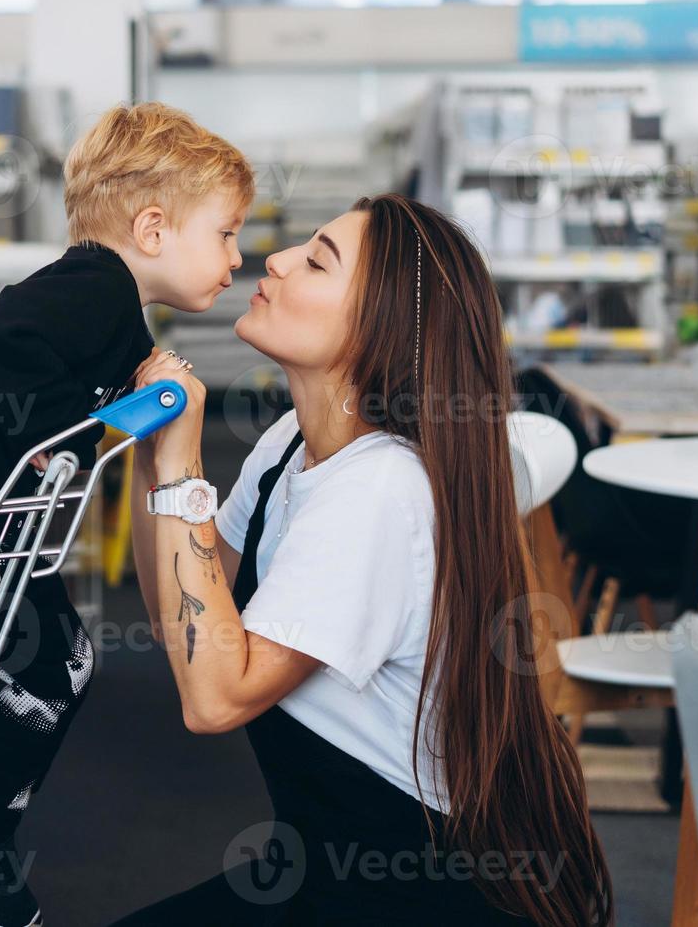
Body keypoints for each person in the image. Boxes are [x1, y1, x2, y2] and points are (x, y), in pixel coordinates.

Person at [119, 194, 614, 925]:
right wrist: (150, 456)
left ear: (378, 329)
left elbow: (215, 697)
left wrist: (186, 461)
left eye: (317, 261)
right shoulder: (290, 442)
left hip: (413, 896)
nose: (277, 261)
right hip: (316, 871)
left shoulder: (380, 489)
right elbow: (185, 621)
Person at [0, 103, 255, 927]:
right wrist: (35, 434)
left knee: (66, 661)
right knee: (60, 664)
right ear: (154, 228)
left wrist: (112, 405)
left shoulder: (107, 301)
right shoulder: (93, 290)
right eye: (224, 234)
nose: (237, 257)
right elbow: (4, 338)